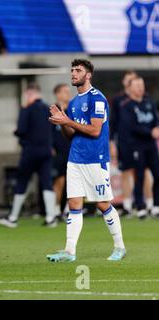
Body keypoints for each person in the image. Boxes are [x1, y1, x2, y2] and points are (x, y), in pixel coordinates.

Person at [46, 59, 126, 262]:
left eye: (78, 70)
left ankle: (119, 246)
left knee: (102, 204)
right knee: (74, 203)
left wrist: (68, 121)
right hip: (75, 159)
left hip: (95, 159)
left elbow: (95, 130)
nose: (73, 73)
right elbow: (71, 136)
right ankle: (69, 251)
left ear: (88, 75)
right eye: (72, 70)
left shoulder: (97, 99)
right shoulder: (73, 103)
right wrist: (63, 122)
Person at [0, 83, 57, 228]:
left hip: (30, 151)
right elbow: (54, 129)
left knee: (22, 181)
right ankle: (51, 217)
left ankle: (13, 218)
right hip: (46, 151)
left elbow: (21, 129)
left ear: (29, 94)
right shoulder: (49, 108)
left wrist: (17, 131)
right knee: (47, 183)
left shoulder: (27, 109)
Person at [109, 70, 153, 215]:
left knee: (145, 171)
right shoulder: (118, 100)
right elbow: (113, 122)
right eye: (128, 79)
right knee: (126, 172)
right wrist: (111, 142)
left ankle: (149, 202)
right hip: (125, 142)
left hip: (142, 142)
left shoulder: (145, 99)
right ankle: (127, 205)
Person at [123, 76, 159, 218]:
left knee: (157, 174)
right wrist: (150, 132)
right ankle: (140, 207)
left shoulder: (149, 102)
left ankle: (156, 206)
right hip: (137, 145)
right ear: (130, 88)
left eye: (142, 85)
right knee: (139, 176)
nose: (141, 88)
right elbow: (130, 126)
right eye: (137, 85)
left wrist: (156, 128)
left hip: (151, 145)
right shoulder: (127, 105)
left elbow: (155, 120)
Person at [51, 84, 72, 219]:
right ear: (57, 94)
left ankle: (68, 209)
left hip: (71, 150)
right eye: (65, 92)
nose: (68, 94)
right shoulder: (52, 110)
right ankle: (55, 209)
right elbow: (47, 131)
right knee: (59, 180)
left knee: (72, 181)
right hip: (57, 151)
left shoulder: (73, 109)